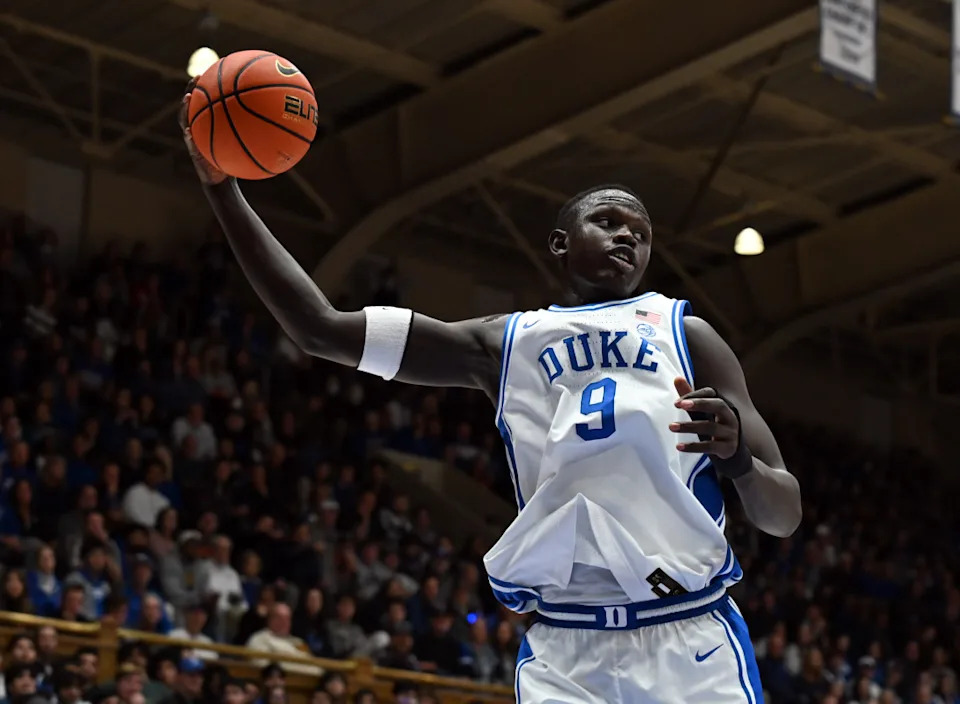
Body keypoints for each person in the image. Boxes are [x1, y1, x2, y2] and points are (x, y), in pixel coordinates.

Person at [179, 82, 801, 703]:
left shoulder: (685, 332)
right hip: (567, 648)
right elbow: (319, 329)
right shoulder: (504, 344)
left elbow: (783, 514)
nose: (626, 237)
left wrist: (739, 457)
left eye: (640, 233)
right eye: (607, 221)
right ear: (560, 243)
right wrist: (222, 191)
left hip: (688, 637)